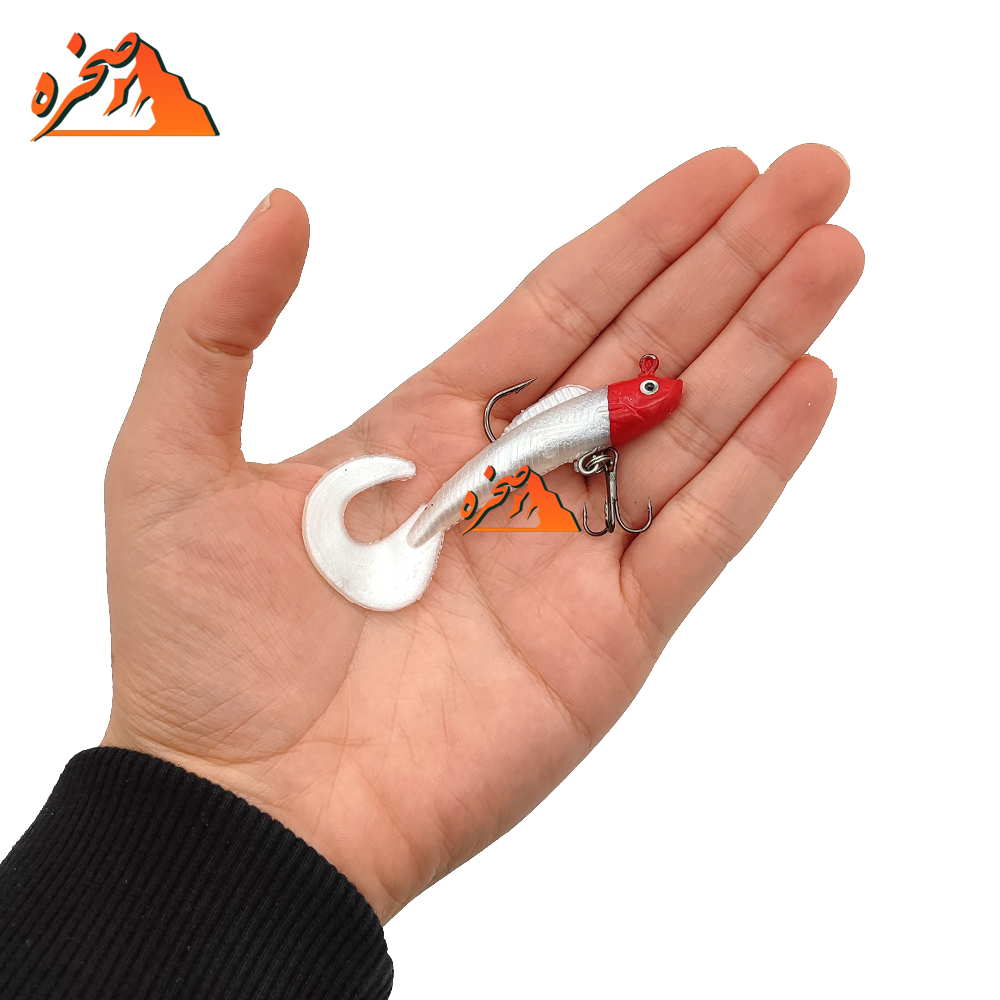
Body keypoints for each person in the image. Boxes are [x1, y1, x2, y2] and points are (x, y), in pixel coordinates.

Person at [0, 144, 862, 998]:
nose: (655, 399)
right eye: (650, 396)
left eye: (651, 400)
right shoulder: (577, 433)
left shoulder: (604, 420)